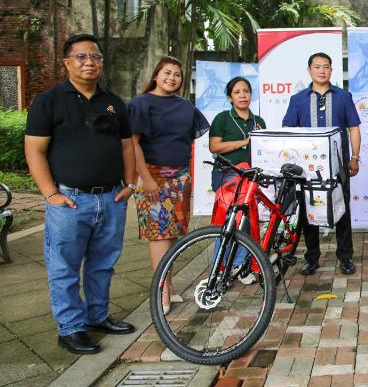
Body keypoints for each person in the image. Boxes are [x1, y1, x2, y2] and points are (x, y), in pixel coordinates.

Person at [24, 34, 136, 355]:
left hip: (112, 198)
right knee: (64, 266)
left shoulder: (113, 101)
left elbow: (127, 145)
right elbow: (35, 151)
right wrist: (50, 194)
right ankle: (71, 328)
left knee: (103, 264)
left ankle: (98, 315)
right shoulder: (49, 101)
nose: (89, 63)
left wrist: (129, 184)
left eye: (95, 57)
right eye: (81, 57)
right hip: (70, 201)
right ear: (67, 62)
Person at [128, 57, 210, 315]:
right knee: (158, 235)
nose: (172, 78)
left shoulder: (185, 106)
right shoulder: (141, 103)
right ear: (156, 75)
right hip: (153, 176)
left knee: (173, 234)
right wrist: (146, 177)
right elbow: (132, 143)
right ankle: (160, 291)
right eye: (167, 72)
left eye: (177, 74)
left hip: (180, 178)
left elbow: (193, 141)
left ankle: (169, 286)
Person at [282, 52, 361, 276]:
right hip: (308, 169)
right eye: (317, 67)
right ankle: (312, 258)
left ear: (331, 70)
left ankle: (345, 257)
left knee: (342, 209)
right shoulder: (297, 99)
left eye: (326, 66)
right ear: (309, 71)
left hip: (338, 166)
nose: (321, 70)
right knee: (309, 211)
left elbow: (354, 128)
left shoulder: (344, 97)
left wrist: (354, 158)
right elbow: (289, 131)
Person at [209, 76, 267, 190]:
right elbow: (214, 147)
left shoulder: (259, 121)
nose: (242, 95)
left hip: (253, 174)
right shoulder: (222, 117)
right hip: (227, 172)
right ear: (230, 98)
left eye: (246, 91)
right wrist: (244, 142)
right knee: (231, 207)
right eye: (237, 92)